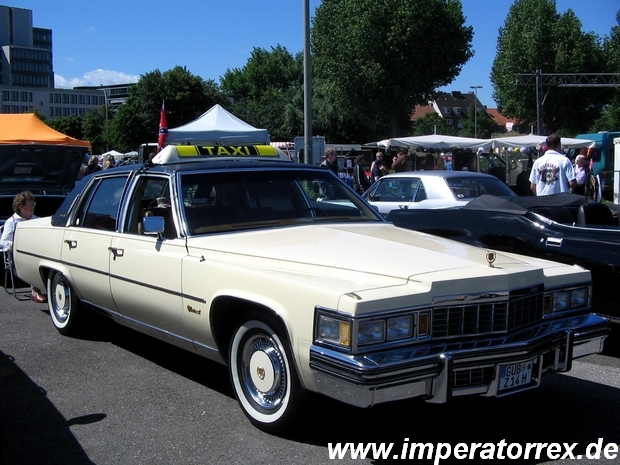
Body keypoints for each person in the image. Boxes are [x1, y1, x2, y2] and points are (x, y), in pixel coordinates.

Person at [0, 191, 47, 302]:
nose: (32, 206)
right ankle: (35, 291)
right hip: (17, 258)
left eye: (33, 203)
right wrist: (18, 244)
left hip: (37, 253)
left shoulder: (37, 220)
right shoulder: (12, 222)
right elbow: (3, 243)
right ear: (20, 206)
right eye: (29, 203)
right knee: (32, 259)